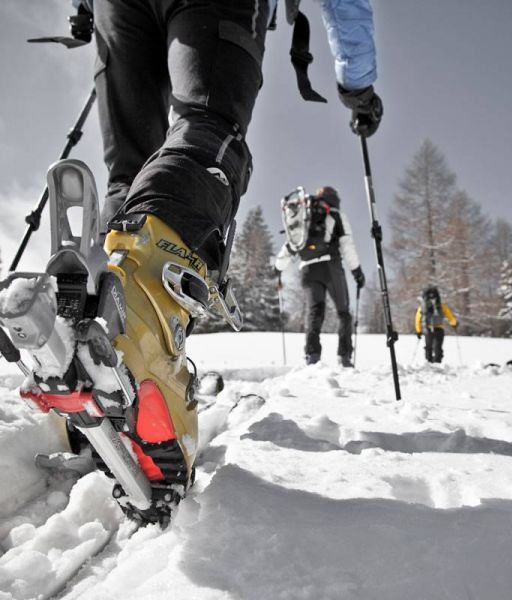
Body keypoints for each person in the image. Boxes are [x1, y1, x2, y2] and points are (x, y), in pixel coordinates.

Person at [67, 0, 382, 495]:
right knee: (209, 128)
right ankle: (138, 344)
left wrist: (83, 8)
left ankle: (93, 325)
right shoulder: (333, 219)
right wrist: (357, 83)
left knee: (129, 171)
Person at [275, 186, 365, 367]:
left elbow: (291, 245)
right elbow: (347, 245)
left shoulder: (304, 216)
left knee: (314, 312)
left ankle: (312, 356)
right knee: (343, 312)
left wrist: (278, 269)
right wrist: (356, 271)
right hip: (330, 265)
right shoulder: (335, 214)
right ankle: (344, 357)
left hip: (307, 269)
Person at [415, 286, 458, 364]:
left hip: (427, 329)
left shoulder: (422, 307)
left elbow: (418, 320)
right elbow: (450, 316)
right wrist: (454, 324)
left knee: (428, 347)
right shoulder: (442, 306)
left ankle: (429, 363)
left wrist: (418, 331)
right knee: (438, 347)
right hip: (439, 329)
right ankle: (437, 363)